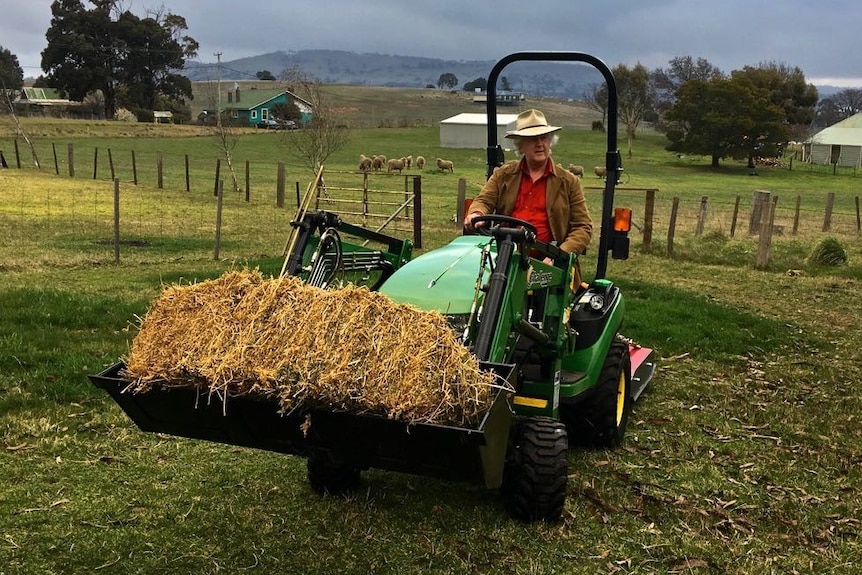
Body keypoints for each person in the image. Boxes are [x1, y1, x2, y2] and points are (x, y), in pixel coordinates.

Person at [463, 109, 593, 267]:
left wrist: (558, 256)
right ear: (521, 145)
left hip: (550, 264)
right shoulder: (503, 175)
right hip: (506, 259)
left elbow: (582, 227)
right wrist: (477, 213)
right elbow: (484, 200)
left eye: (543, 138)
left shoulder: (569, 182)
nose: (539, 144)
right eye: (532, 139)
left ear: (549, 141)